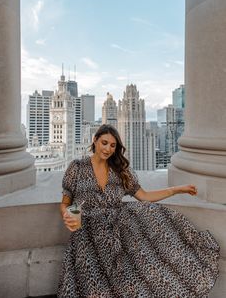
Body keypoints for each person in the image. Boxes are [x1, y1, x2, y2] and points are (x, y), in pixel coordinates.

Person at [57, 124, 220, 298]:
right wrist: (67, 215)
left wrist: (177, 189)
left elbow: (144, 196)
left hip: (117, 230)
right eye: (104, 143)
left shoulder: (121, 171)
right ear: (95, 140)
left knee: (141, 274)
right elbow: (65, 203)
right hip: (86, 233)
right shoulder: (77, 167)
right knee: (93, 287)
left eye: (113, 146)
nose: (107, 149)